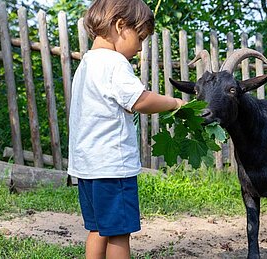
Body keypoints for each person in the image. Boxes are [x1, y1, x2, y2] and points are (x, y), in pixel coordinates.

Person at [67, 0, 186, 258]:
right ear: (121, 26)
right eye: (140, 37)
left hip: (87, 167)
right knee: (119, 232)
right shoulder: (114, 63)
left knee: (98, 229)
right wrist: (174, 102)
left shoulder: (86, 64)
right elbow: (140, 100)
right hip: (112, 167)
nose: (140, 47)